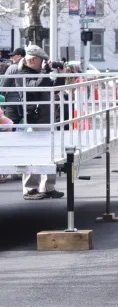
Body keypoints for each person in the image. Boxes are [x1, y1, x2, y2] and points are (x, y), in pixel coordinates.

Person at [1, 46, 61, 200]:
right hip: (33, 117)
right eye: (42, 61)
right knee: (33, 153)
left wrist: (59, 73)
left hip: (45, 115)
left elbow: (53, 87)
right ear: (33, 59)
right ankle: (30, 189)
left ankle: (48, 186)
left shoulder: (36, 72)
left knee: (50, 152)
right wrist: (45, 72)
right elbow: (34, 87)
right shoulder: (22, 72)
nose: (43, 64)